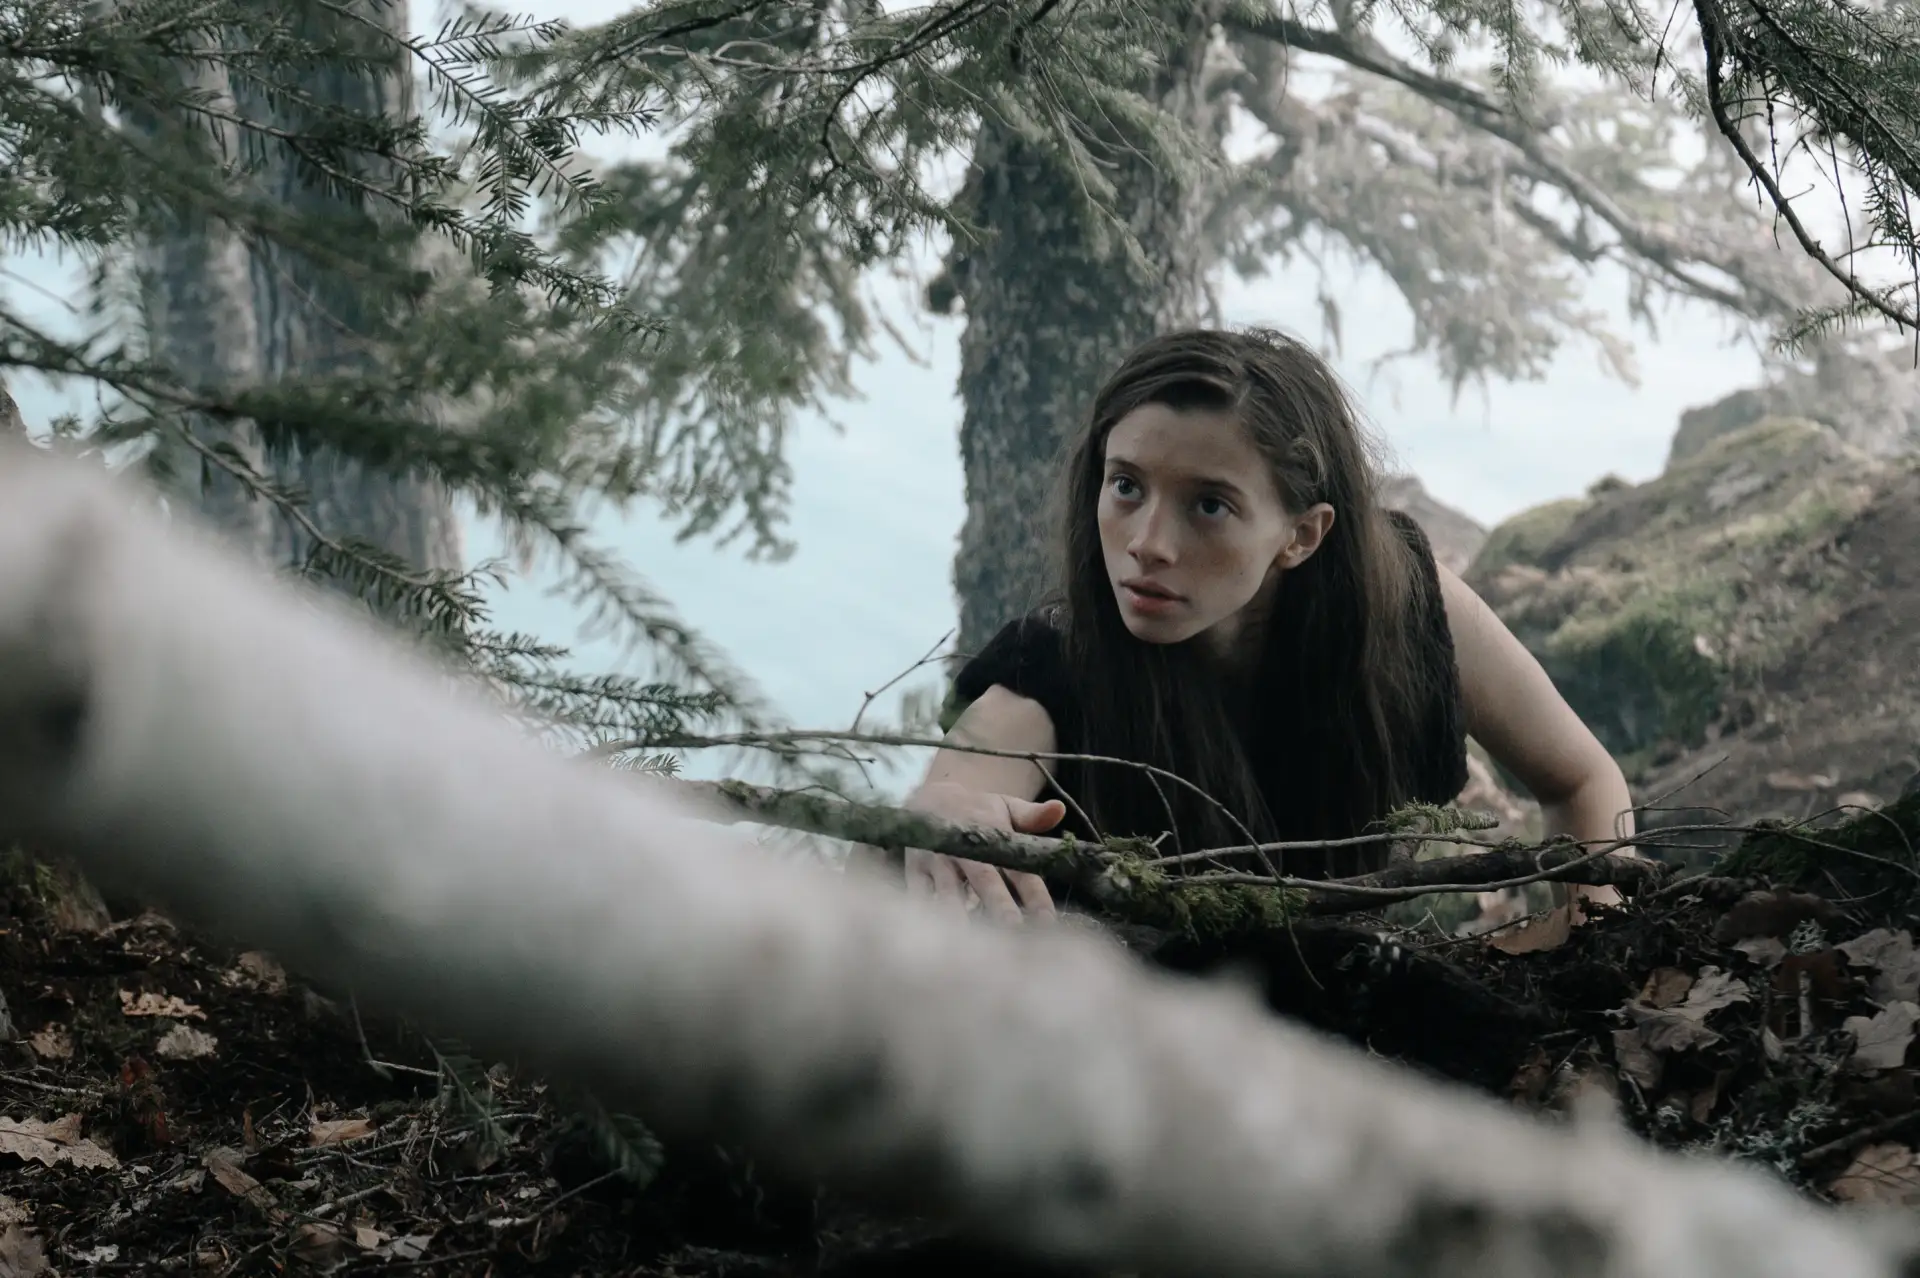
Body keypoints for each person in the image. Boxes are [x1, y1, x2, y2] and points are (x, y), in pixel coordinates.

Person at [901, 326, 1634, 924]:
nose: (1148, 542)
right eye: (1126, 485)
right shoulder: (1052, 664)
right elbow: (967, 782)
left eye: (1208, 505)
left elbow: (1581, 778)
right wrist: (948, 806)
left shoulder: (1404, 605)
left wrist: (1593, 955)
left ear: (1302, 535)